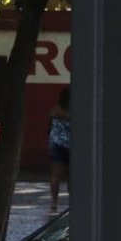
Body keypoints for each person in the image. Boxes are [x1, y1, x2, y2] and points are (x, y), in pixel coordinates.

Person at [48, 87, 71, 215]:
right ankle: (72, 201)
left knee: (55, 175)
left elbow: (49, 127)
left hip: (56, 144)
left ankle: (54, 202)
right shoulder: (75, 111)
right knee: (71, 176)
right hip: (72, 146)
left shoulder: (55, 111)